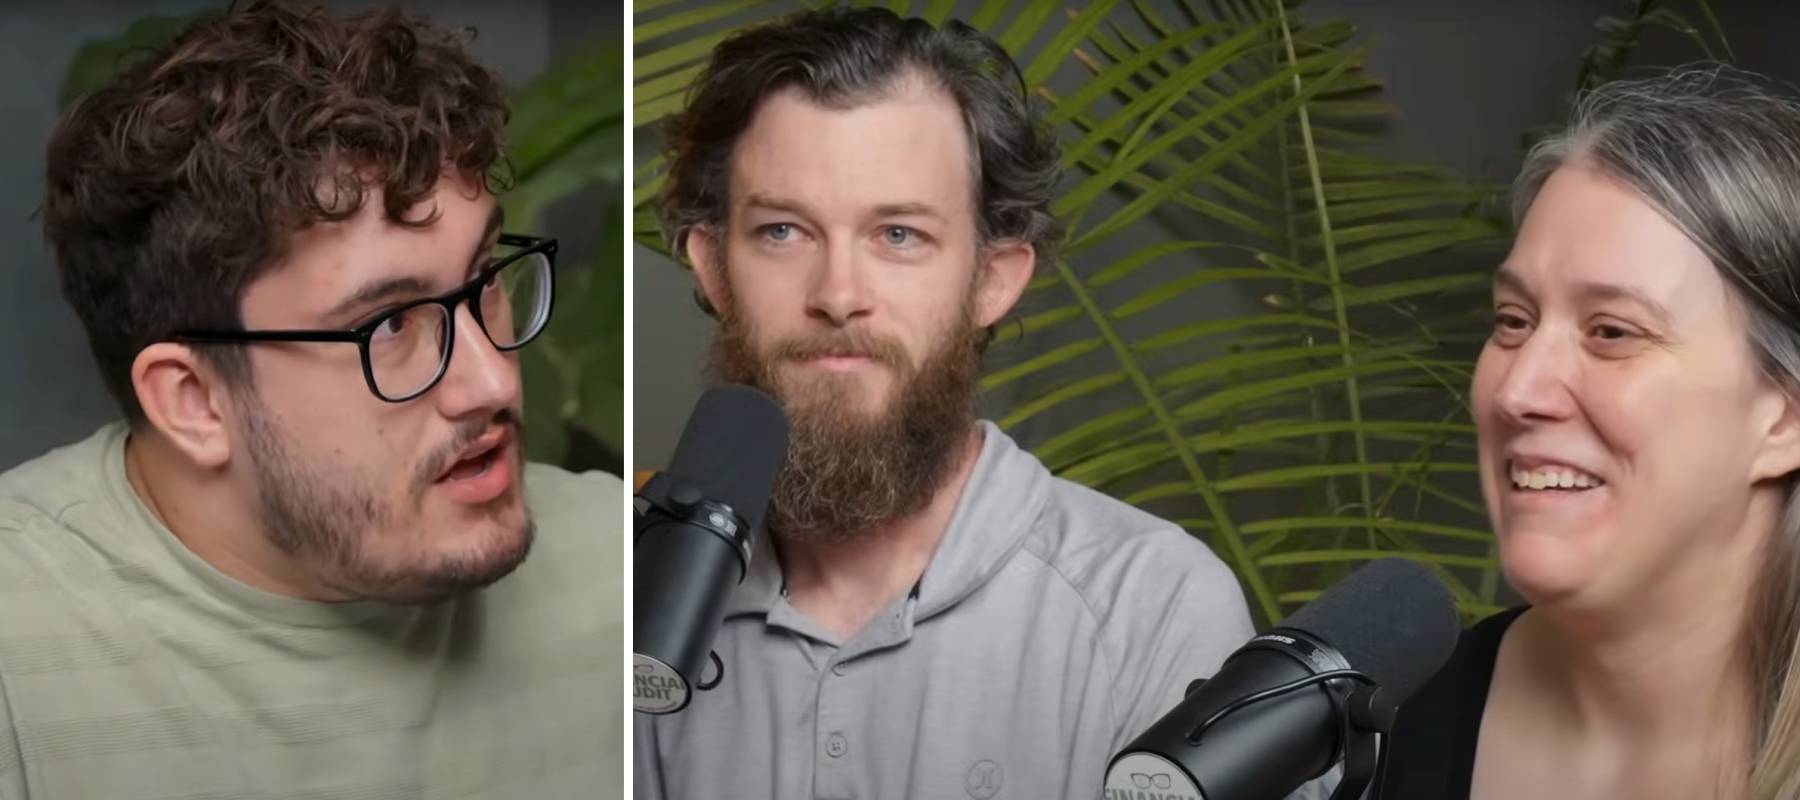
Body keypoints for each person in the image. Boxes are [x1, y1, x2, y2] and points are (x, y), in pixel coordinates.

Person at [0, 3, 622, 798]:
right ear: (193, 400)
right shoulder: (18, 658)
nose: (493, 380)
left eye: (485, 281)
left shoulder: (629, 568)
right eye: (390, 322)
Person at [635, 8, 1260, 799]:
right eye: (784, 231)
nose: (838, 296)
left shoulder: (1152, 609)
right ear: (714, 269)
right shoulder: (629, 603)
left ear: (993, 279)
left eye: (898, 235)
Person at [1381, 65, 1800, 800]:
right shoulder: (1401, 726)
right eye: (1513, 321)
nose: (1517, 391)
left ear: (1785, 419)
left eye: (1612, 331)